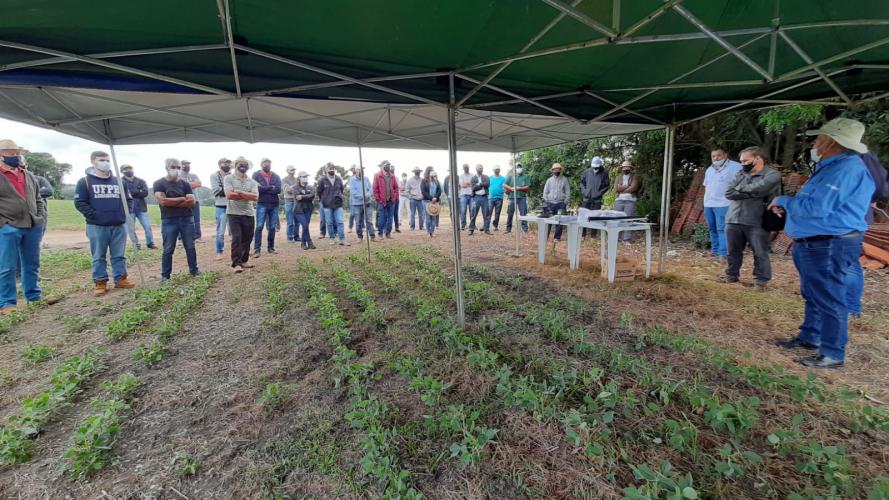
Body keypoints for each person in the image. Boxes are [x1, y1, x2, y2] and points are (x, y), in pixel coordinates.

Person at [771, 118, 875, 369]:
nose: (814, 143)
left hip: (829, 244)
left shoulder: (846, 169)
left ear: (832, 142)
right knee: (814, 293)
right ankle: (810, 336)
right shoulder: (832, 167)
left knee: (829, 297)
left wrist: (783, 201)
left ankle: (832, 353)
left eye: (818, 139)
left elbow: (817, 208)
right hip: (817, 242)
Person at [74, 151, 134, 296]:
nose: (105, 162)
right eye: (102, 160)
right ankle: (100, 282)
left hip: (118, 224)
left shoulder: (119, 181)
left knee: (119, 255)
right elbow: (80, 202)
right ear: (93, 162)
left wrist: (124, 214)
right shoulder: (85, 182)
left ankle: (121, 279)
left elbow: (129, 200)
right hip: (96, 226)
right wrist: (94, 215)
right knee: (98, 255)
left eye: (107, 160)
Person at [722, 147, 782, 291]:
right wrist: (753, 192)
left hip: (757, 219)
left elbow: (761, 188)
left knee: (760, 252)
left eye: (745, 160)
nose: (743, 164)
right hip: (734, 217)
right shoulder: (741, 172)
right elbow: (729, 192)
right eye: (741, 161)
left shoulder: (773, 174)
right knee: (732, 250)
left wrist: (742, 189)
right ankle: (731, 275)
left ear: (757, 158)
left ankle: (761, 281)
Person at [0, 139, 48, 314]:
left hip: (31, 225)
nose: (15, 156)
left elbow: (38, 198)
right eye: (10, 153)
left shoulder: (27, 175)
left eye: (16, 153)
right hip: (8, 227)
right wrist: (3, 225)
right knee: (7, 267)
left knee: (32, 264)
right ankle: (7, 303)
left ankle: (33, 296)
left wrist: (39, 217)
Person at [153, 159, 200, 281]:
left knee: (190, 246)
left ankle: (194, 270)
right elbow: (163, 201)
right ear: (167, 168)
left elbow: (192, 202)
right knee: (168, 248)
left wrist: (171, 202)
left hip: (186, 219)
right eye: (173, 167)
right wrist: (183, 199)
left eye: (178, 167)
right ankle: (165, 275)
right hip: (169, 220)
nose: (177, 170)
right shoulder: (159, 183)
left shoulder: (185, 184)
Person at [703, 148, 742, 260]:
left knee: (722, 229)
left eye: (719, 155)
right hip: (709, 203)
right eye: (713, 156)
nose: (716, 158)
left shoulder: (736, 167)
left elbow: (742, 183)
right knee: (712, 228)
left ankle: (723, 253)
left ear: (725, 155)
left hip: (724, 203)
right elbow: (706, 186)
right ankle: (715, 250)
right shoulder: (710, 169)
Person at [224, 157, 259, 272]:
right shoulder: (228, 178)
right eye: (240, 164)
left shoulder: (252, 181)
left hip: (249, 213)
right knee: (237, 238)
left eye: (245, 164)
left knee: (247, 238)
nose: (243, 166)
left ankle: (244, 260)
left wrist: (239, 192)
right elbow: (229, 195)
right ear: (236, 165)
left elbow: (255, 197)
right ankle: (236, 263)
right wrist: (247, 195)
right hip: (234, 213)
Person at [251, 158, 282, 257]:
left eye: (269, 163)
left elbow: (278, 190)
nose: (267, 164)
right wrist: (270, 187)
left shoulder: (276, 176)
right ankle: (257, 249)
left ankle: (271, 248)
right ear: (261, 164)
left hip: (274, 204)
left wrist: (264, 189)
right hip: (262, 203)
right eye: (265, 163)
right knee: (259, 226)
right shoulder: (256, 175)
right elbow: (256, 189)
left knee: (272, 227)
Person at [121, 164, 155, 251]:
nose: (129, 170)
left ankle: (150, 243)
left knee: (147, 226)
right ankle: (136, 244)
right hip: (129, 209)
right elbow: (123, 194)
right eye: (126, 169)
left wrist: (130, 192)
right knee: (131, 228)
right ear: (122, 171)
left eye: (130, 168)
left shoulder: (141, 181)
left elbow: (145, 193)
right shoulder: (120, 182)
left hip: (141, 208)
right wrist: (138, 191)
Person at [317, 163, 348, 246]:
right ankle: (332, 238)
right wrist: (324, 200)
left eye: (333, 168)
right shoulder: (322, 180)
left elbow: (341, 189)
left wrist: (339, 197)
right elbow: (319, 192)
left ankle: (342, 239)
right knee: (329, 222)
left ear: (335, 170)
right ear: (326, 170)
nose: (331, 170)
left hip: (338, 204)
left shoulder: (338, 179)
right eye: (329, 169)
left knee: (340, 222)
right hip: (327, 205)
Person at [580, 156, 610, 237]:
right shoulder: (587, 172)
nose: (595, 168)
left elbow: (607, 186)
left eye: (597, 167)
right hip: (586, 198)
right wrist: (585, 191)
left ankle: (593, 235)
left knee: (596, 217)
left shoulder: (604, 173)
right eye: (594, 167)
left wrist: (599, 193)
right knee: (584, 216)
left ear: (600, 165)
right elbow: (582, 183)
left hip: (597, 199)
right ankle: (583, 234)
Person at [208, 158, 232, 260]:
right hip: (221, 206)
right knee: (220, 231)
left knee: (235, 231)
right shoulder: (214, 176)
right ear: (219, 165)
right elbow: (216, 191)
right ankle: (219, 251)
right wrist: (230, 191)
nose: (227, 165)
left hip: (233, 206)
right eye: (224, 163)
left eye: (228, 163)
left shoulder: (232, 176)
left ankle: (238, 251)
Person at [613, 160, 641, 241]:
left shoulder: (635, 176)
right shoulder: (618, 177)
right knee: (617, 219)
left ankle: (626, 238)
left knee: (628, 219)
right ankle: (616, 237)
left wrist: (622, 188)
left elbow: (634, 187)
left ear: (630, 168)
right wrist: (628, 186)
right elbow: (616, 189)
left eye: (627, 167)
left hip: (630, 201)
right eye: (624, 167)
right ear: (622, 168)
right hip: (619, 200)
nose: (626, 168)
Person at [543, 163, 570, 241]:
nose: (556, 171)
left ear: (560, 170)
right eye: (555, 169)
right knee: (549, 220)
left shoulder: (564, 179)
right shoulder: (549, 180)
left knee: (559, 221)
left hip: (561, 203)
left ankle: (557, 237)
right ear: (552, 171)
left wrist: (565, 202)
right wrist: (547, 201)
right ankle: (546, 236)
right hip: (550, 203)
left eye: (558, 169)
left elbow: (568, 192)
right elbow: (545, 192)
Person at [373, 160, 399, 239]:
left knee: (390, 218)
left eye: (389, 165)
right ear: (383, 166)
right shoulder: (377, 175)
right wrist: (378, 199)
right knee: (382, 218)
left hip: (391, 201)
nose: (388, 166)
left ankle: (388, 233)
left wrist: (394, 197)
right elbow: (375, 189)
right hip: (382, 201)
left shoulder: (392, 176)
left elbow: (396, 188)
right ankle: (380, 233)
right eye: (386, 165)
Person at [349, 166, 376, 242]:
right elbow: (353, 192)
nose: (361, 171)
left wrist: (367, 195)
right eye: (359, 170)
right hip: (357, 204)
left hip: (367, 202)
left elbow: (371, 189)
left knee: (369, 220)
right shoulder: (352, 180)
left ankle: (372, 236)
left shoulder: (366, 179)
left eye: (362, 170)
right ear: (356, 171)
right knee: (358, 221)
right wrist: (362, 196)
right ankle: (360, 237)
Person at [179, 160, 202, 241]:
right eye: (185, 164)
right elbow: (177, 186)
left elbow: (199, 184)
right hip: (182, 201)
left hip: (195, 200)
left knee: (196, 219)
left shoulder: (194, 175)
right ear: (180, 166)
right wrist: (191, 184)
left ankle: (197, 237)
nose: (187, 166)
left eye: (188, 164)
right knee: (181, 219)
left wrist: (185, 185)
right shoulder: (177, 176)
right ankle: (181, 238)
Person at [293, 171, 316, 250]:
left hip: (308, 209)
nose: (305, 178)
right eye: (303, 177)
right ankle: (309, 242)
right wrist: (307, 196)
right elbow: (297, 197)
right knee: (305, 225)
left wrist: (302, 197)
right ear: (299, 178)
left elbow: (312, 195)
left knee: (305, 227)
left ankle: (303, 243)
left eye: (306, 177)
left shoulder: (310, 186)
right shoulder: (295, 187)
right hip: (299, 210)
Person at [505, 163, 530, 234]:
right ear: (515, 168)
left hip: (522, 197)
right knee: (510, 213)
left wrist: (520, 188)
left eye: (520, 167)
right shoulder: (510, 176)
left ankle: (525, 229)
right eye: (517, 167)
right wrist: (510, 188)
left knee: (523, 213)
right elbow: (504, 184)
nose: (519, 168)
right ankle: (508, 229)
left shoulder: (526, 176)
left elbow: (527, 187)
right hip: (512, 197)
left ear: (522, 168)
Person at [468, 164, 491, 236]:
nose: (480, 169)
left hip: (484, 197)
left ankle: (486, 229)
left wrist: (479, 184)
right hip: (476, 198)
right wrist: (481, 185)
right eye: (479, 168)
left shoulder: (486, 176)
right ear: (476, 169)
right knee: (473, 214)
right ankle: (471, 229)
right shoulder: (473, 178)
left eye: (481, 168)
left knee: (486, 214)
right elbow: (473, 188)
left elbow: (487, 184)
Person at [282, 165, 300, 244]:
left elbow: (300, 190)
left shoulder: (297, 179)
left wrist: (293, 188)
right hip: (288, 201)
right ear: (287, 171)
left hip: (297, 201)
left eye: (293, 169)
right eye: (291, 170)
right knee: (290, 221)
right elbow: (287, 190)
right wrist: (295, 188)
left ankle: (296, 236)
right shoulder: (284, 179)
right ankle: (290, 237)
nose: (293, 171)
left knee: (297, 220)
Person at [422, 170, 442, 238]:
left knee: (433, 217)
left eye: (434, 176)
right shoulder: (424, 181)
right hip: (427, 201)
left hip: (435, 202)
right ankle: (428, 232)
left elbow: (439, 191)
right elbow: (423, 191)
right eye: (432, 176)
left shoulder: (437, 182)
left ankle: (432, 232)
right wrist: (431, 198)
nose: (433, 177)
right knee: (428, 217)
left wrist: (435, 198)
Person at [488, 166, 506, 230]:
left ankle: (495, 226)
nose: (497, 170)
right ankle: (486, 226)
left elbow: (505, 187)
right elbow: (487, 187)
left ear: (500, 170)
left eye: (498, 169)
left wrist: (503, 191)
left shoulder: (503, 178)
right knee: (489, 212)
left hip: (499, 198)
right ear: (493, 170)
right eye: (495, 169)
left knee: (497, 213)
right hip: (491, 198)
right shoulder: (490, 178)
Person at [458, 163, 473, 230]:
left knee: (472, 211)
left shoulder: (472, 175)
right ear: (463, 169)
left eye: (467, 167)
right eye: (465, 167)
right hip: (463, 195)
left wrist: (467, 183)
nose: (466, 168)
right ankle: (463, 225)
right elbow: (462, 185)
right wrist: (469, 183)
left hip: (471, 194)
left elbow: (474, 184)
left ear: (468, 167)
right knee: (463, 211)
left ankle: (472, 225)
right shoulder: (461, 176)